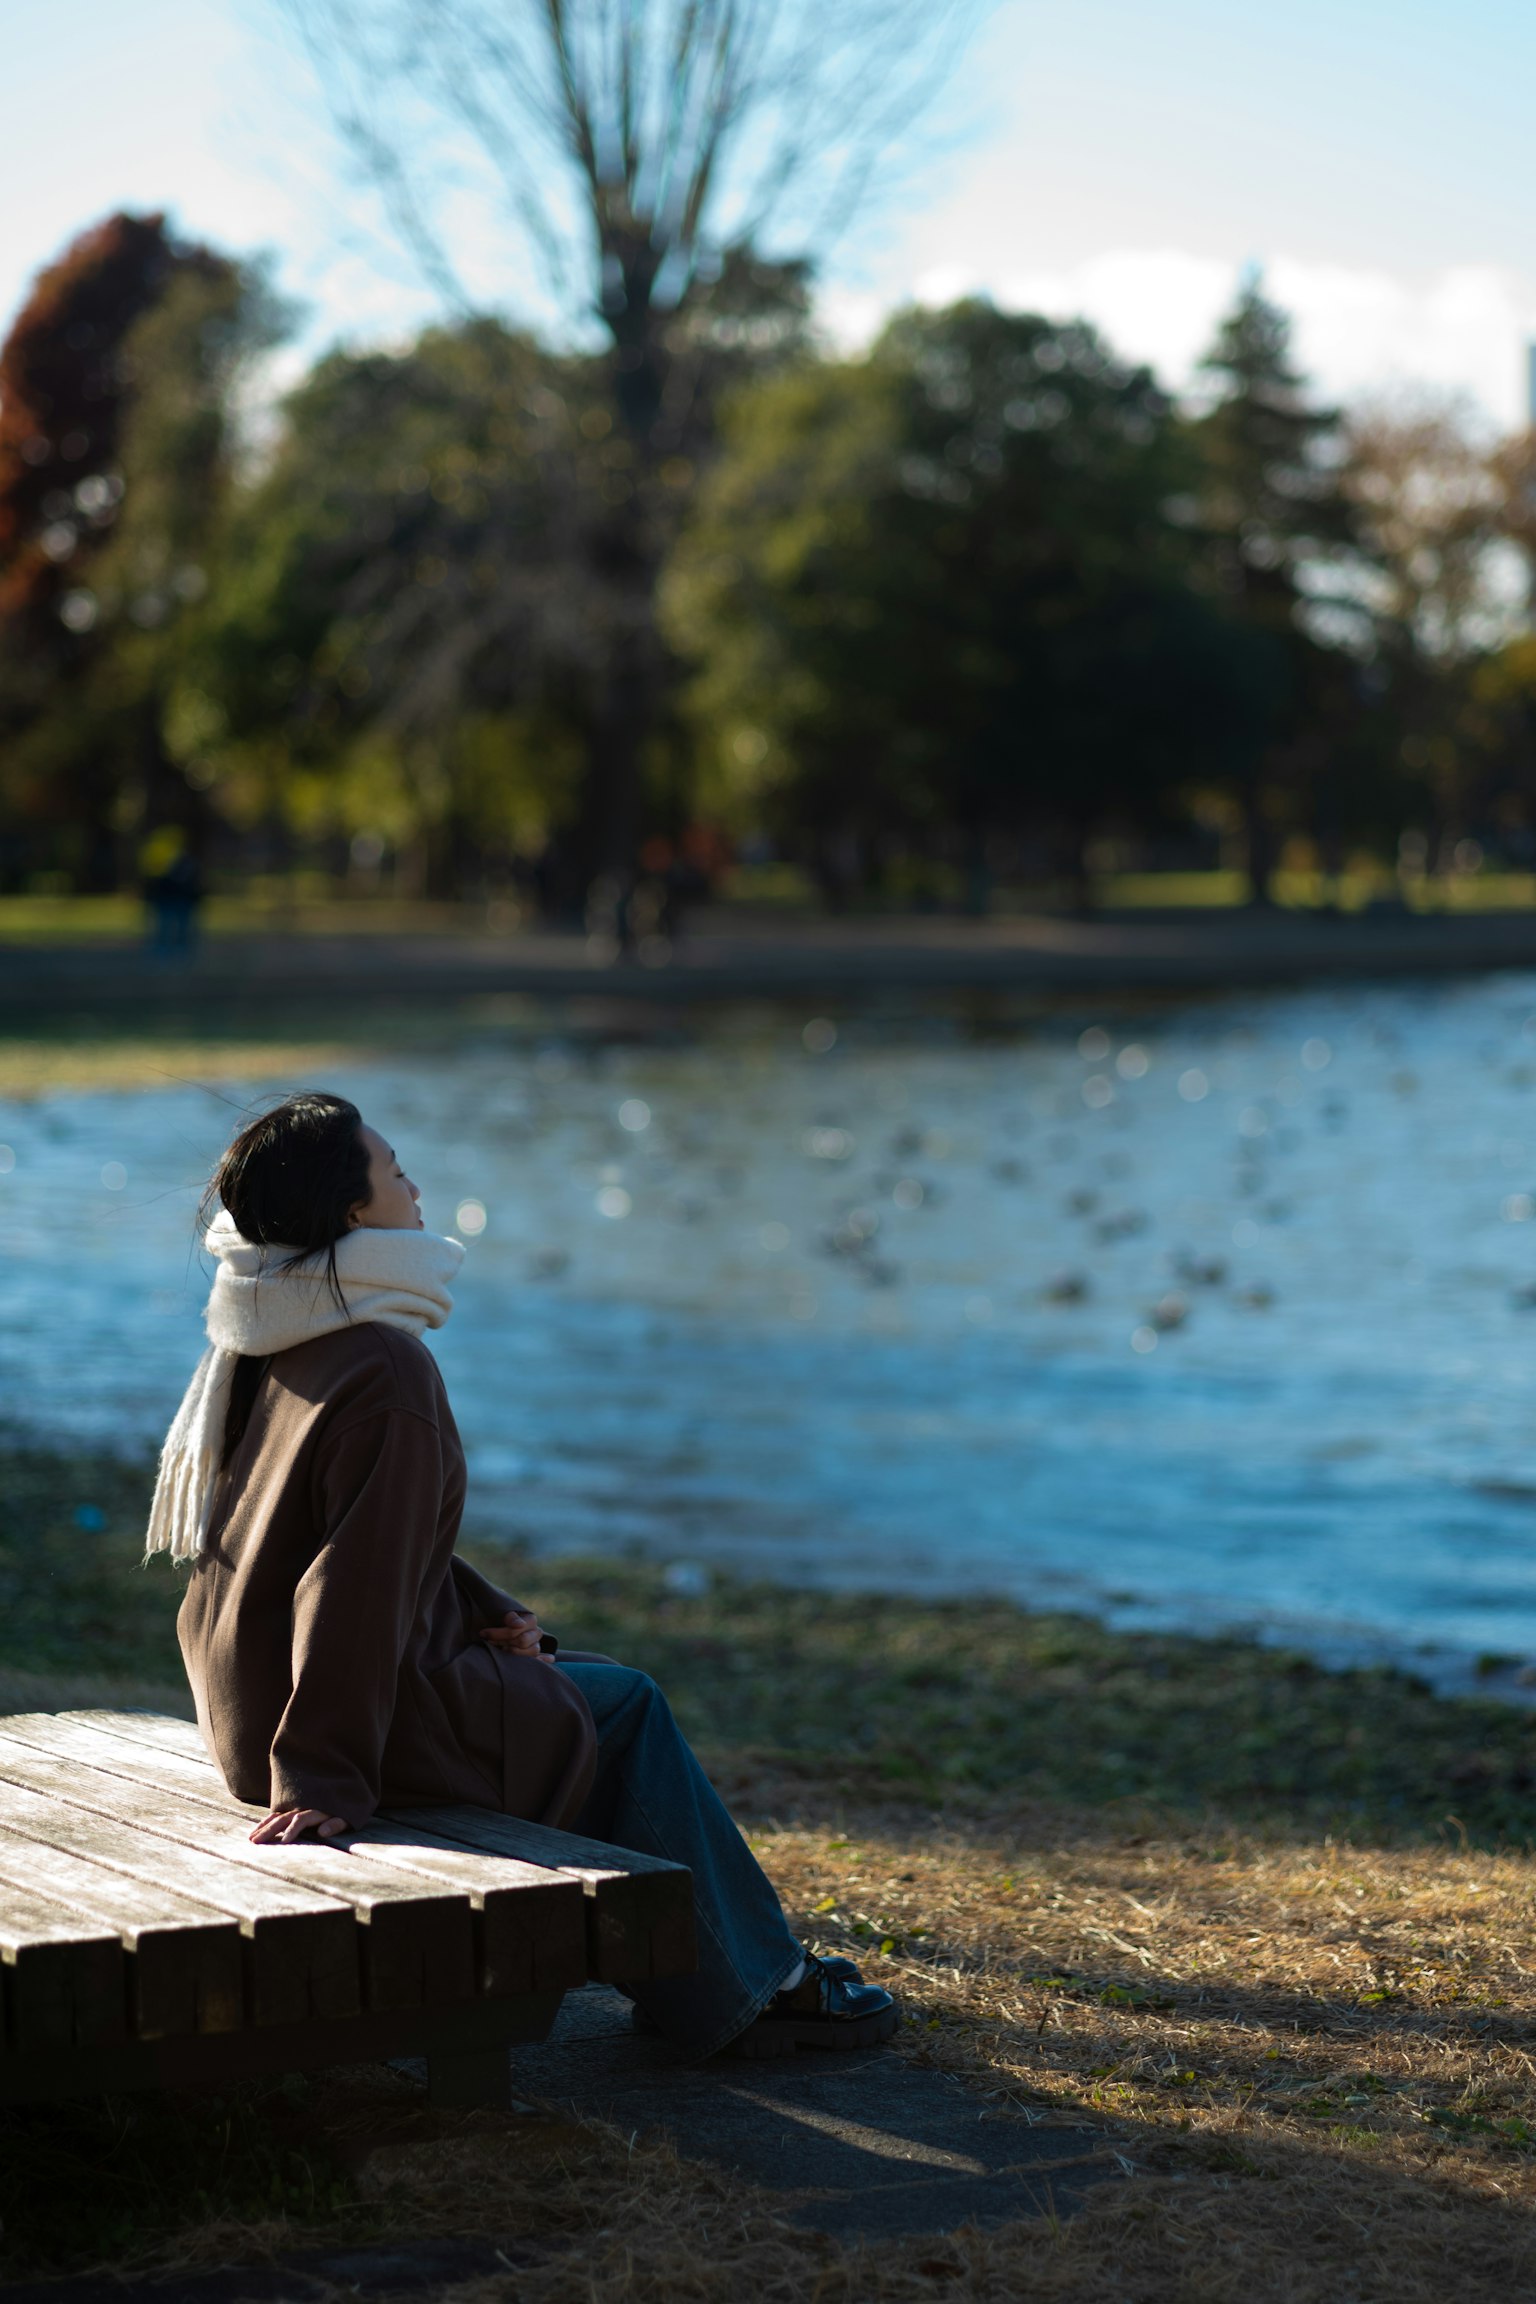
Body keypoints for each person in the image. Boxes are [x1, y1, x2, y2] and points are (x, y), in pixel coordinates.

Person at [147, 1091, 896, 2062]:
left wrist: (483, 1608)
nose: (415, 1184)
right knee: (621, 1703)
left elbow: (337, 1536)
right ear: (351, 1212)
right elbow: (350, 1577)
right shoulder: (381, 1361)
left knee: (566, 1682)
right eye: (393, 1169)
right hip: (322, 1733)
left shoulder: (272, 1334)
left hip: (254, 1708)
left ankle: (722, 1977)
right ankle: (759, 1991)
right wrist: (326, 1771)